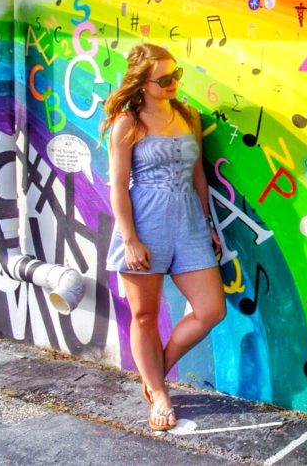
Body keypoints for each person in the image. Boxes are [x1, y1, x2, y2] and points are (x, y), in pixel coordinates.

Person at [101, 44, 225, 431]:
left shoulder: (187, 115)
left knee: (211, 310)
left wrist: (208, 224)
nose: (173, 84)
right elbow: (118, 186)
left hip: (188, 224)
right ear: (143, 83)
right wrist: (130, 239)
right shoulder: (128, 123)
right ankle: (159, 392)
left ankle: (159, 369)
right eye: (165, 79)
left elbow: (199, 175)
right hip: (144, 226)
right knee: (144, 315)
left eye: (177, 76)